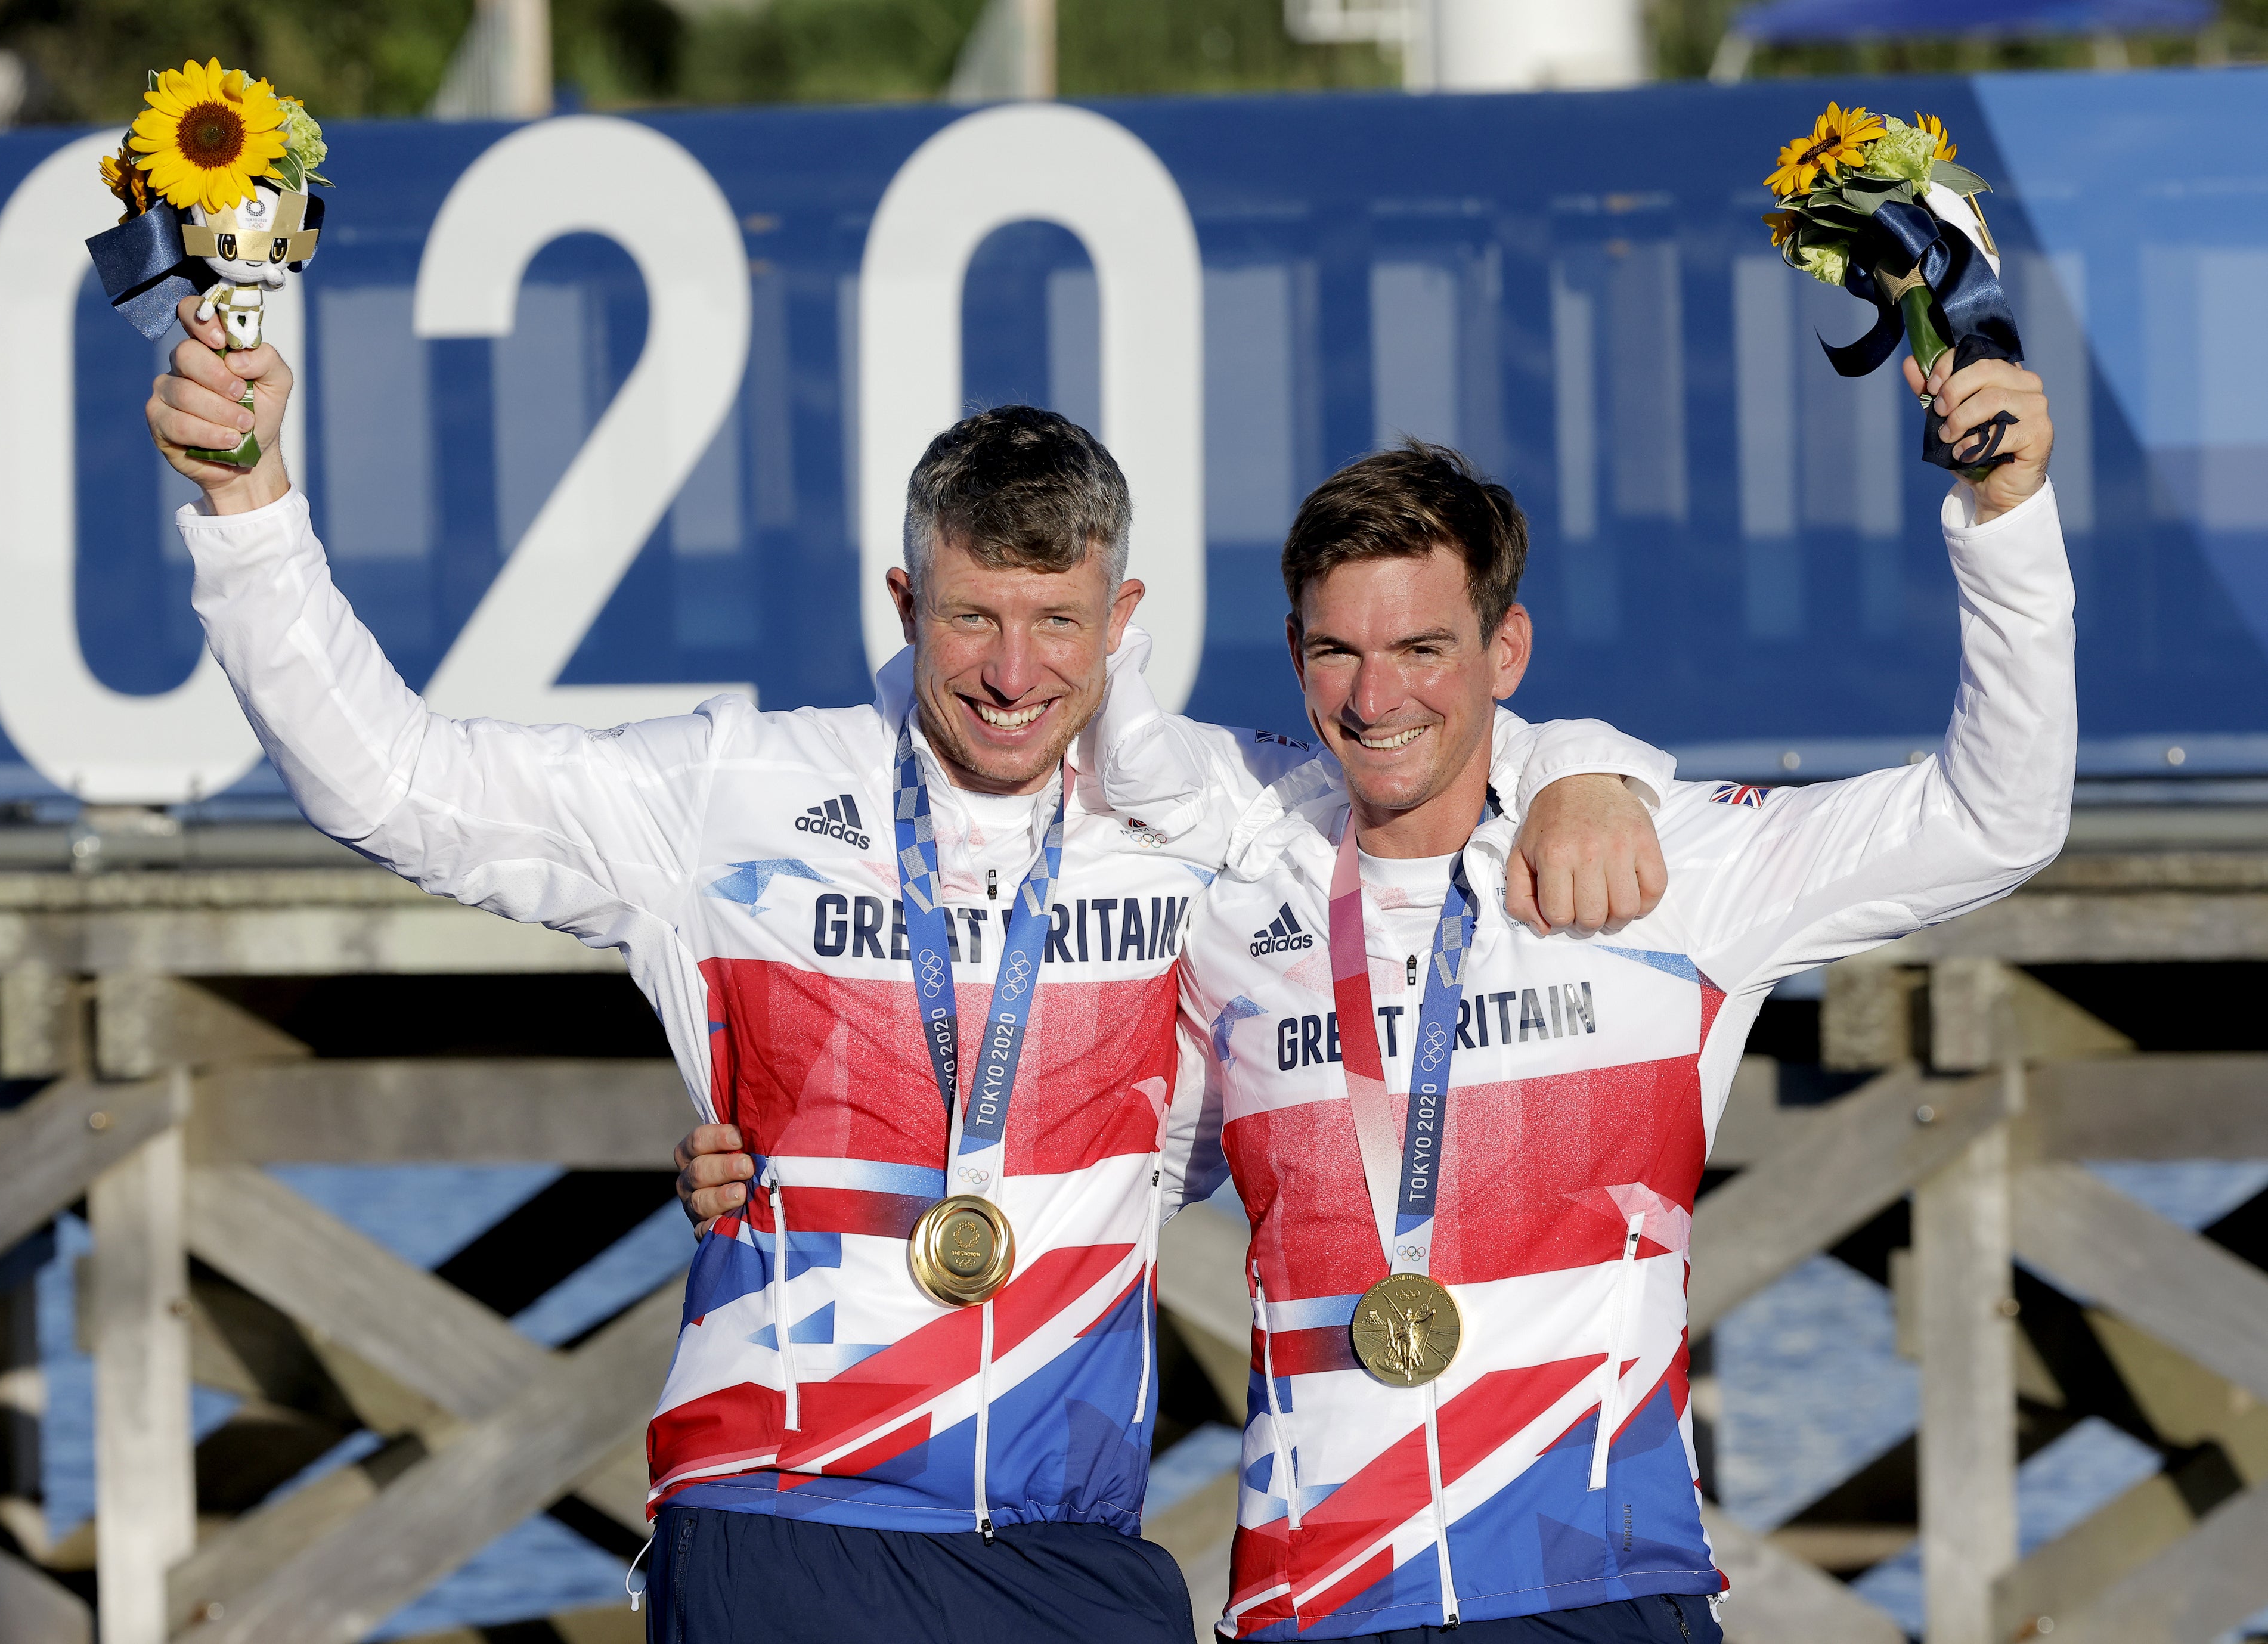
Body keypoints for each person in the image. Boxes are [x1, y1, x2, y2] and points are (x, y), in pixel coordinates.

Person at [143, 297, 1675, 1644]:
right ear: (903, 604)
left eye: (1059, 621)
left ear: (1124, 620)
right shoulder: (731, 796)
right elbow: (389, 781)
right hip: (783, 1524)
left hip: (1073, 1558)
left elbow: (1416, 734)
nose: (1016, 674)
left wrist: (1595, 770)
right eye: (975, 619)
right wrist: (247, 511)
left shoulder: (1205, 824)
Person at [1129, 351, 2066, 1641]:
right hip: (1311, 1601)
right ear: (1293, 654)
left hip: (1596, 1592)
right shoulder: (1235, 904)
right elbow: (1086, 1168)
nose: (1376, 694)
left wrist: (2005, 519)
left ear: (1507, 647)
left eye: (1422, 647)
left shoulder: (1669, 873)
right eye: (1337, 650)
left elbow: (1993, 817)